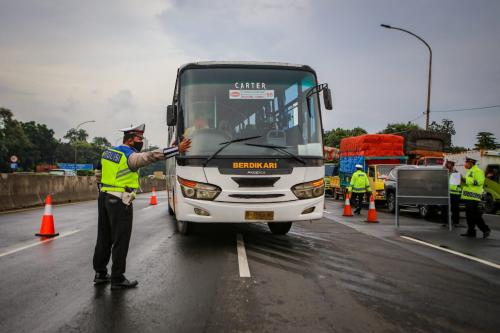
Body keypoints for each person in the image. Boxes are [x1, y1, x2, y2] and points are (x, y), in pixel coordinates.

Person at [93, 124, 191, 289]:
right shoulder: (129, 156)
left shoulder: (108, 153)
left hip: (103, 197)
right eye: (139, 139)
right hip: (120, 200)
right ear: (130, 139)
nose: (141, 142)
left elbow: (98, 173)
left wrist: (104, 187)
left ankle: (100, 273)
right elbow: (150, 156)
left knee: (104, 237)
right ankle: (117, 278)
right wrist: (176, 150)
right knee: (120, 239)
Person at [460, 156, 490, 238]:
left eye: (467, 162)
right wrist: (462, 181)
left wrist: (466, 180)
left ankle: (485, 229)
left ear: (471, 162)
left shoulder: (478, 171)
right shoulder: (470, 171)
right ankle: (471, 232)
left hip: (474, 197)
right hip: (468, 197)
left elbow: (479, 182)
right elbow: (468, 184)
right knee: (470, 216)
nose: (465, 164)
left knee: (475, 216)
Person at [443, 160, 461, 226]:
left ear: (452, 165)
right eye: (447, 163)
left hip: (455, 193)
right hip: (446, 193)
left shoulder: (456, 172)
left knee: (455, 208)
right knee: (445, 208)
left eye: (449, 164)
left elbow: (458, 184)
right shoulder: (443, 172)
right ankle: (445, 222)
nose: (448, 165)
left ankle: (456, 222)